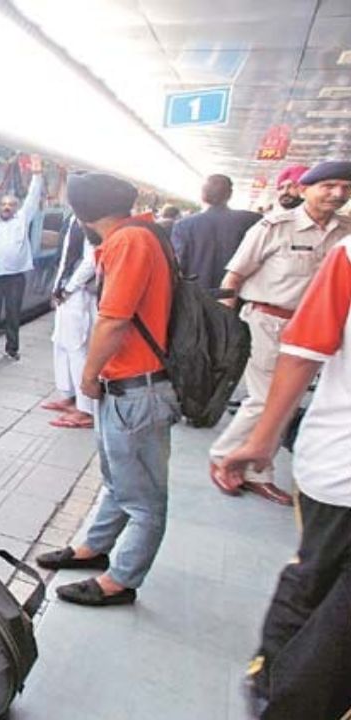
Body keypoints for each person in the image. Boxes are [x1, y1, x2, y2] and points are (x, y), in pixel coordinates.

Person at [222, 232, 351, 719]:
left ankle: (276, 681)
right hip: (341, 467)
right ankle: (279, 682)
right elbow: (300, 353)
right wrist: (261, 440)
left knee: (316, 577)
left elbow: (301, 354)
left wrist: (261, 440)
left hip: (337, 465)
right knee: (321, 582)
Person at [35, 173, 177, 607]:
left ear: (82, 212)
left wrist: (88, 375)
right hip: (128, 386)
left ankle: (121, 580)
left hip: (137, 387)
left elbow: (114, 319)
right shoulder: (136, 236)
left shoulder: (129, 242)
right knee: (118, 480)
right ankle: (93, 549)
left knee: (144, 498)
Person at [209, 161, 351, 506]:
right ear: (304, 189)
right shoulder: (273, 226)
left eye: (345, 188)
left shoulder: (345, 232)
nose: (338, 193)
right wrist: (226, 329)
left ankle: (256, 468)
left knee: (285, 400)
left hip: (318, 328)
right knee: (266, 398)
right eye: (328, 186)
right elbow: (234, 277)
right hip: (268, 321)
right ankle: (225, 458)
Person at [0, 156, 44, 360]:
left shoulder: (22, 220)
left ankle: (11, 349)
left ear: (15, 207)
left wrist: (37, 174)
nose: (7, 207)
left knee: (13, 314)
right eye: (3, 204)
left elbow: (33, 197)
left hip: (15, 277)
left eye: (10, 205)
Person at [41, 215, 97, 429]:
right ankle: (70, 395)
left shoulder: (91, 219)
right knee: (62, 343)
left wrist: (69, 288)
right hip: (67, 292)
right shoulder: (76, 218)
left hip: (78, 294)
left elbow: (90, 260)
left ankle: (86, 409)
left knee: (77, 349)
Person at [169, 174, 262, 291]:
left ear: (202, 195)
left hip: (196, 297)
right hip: (236, 295)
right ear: (230, 195)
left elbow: (178, 265)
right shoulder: (252, 221)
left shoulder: (184, 225)